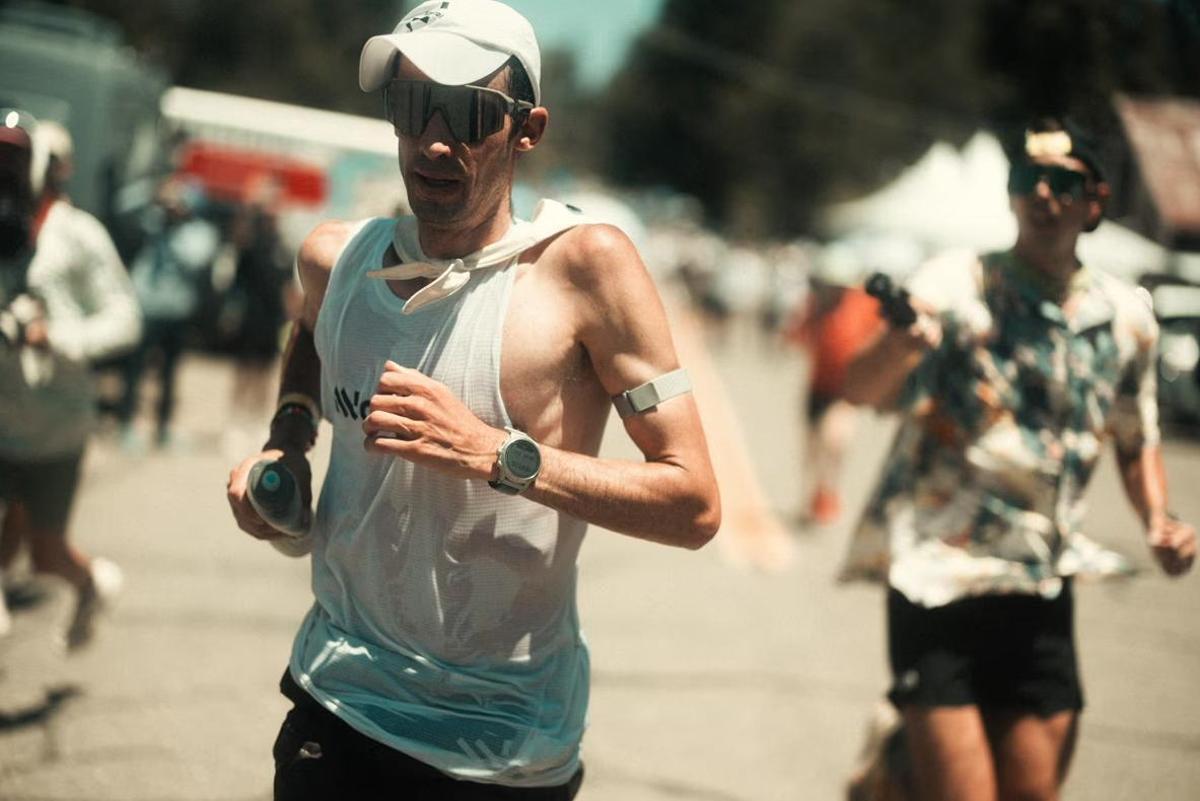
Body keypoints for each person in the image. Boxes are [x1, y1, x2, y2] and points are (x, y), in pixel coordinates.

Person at [224, 2, 720, 798]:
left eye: (468, 114)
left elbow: (693, 502)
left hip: (502, 740)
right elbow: (309, 330)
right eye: (411, 107)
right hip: (337, 698)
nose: (433, 141)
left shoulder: (584, 271)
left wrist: (498, 454)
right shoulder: (336, 260)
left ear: (529, 129)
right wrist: (288, 440)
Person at [840, 119, 1196, 801]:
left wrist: (1160, 518)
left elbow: (1134, 433)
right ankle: (905, 762)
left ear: (1095, 201)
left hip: (1040, 578)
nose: (1042, 192)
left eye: (1063, 182)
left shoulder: (1128, 316)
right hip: (938, 572)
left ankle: (898, 761)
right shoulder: (955, 281)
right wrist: (902, 344)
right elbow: (859, 388)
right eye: (1025, 179)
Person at [0, 109, 140, 647]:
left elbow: (124, 318)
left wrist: (55, 337)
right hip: (4, 415)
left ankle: (90, 586)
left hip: (52, 427)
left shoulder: (79, 234)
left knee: (46, 552)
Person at [116, 175, 219, 449]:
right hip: (147, 307)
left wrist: (172, 229)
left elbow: (193, 260)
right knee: (134, 370)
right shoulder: (154, 219)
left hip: (177, 311)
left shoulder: (200, 232)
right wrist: (152, 192)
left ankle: (163, 428)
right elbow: (122, 206)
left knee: (170, 374)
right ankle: (127, 423)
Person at [783, 244, 882, 525]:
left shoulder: (863, 304)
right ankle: (811, 495)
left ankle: (829, 489)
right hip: (819, 386)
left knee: (835, 439)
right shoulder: (816, 305)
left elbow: (879, 337)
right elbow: (797, 336)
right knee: (812, 446)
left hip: (847, 388)